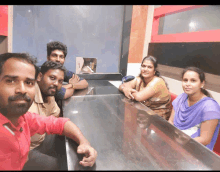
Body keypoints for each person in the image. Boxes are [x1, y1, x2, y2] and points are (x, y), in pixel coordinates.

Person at [0, 53, 97, 170]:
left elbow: (58, 123)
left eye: (29, 83)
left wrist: (84, 142)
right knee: (56, 165)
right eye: (10, 81)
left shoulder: (23, 117)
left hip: (30, 148)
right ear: (40, 77)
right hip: (32, 149)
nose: (22, 90)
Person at [23, 61, 66, 170]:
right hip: (25, 151)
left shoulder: (49, 93)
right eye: (52, 78)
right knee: (57, 165)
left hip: (40, 140)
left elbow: (56, 118)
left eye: (60, 81)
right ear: (39, 76)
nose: (56, 83)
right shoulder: (27, 97)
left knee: (66, 139)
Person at [168, 66, 220, 151]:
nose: (188, 84)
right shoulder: (181, 98)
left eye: (193, 81)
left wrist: (179, 146)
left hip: (194, 151)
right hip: (174, 143)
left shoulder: (210, 108)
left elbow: (205, 140)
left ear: (202, 83)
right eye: (185, 80)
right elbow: (171, 121)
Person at [119, 55, 171, 120]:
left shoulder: (157, 82)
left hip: (159, 119)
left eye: (149, 67)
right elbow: (122, 85)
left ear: (154, 70)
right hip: (146, 114)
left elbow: (138, 97)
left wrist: (128, 91)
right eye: (143, 66)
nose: (145, 69)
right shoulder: (139, 79)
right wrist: (125, 89)